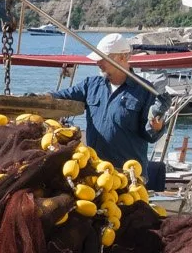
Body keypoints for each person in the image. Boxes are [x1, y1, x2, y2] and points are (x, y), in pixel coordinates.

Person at [52, 32, 163, 172]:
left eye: (103, 58)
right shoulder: (91, 85)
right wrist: (37, 98)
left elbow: (151, 136)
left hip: (127, 174)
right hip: (94, 171)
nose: (98, 63)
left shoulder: (145, 90)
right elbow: (61, 96)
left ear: (122, 57)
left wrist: (156, 127)